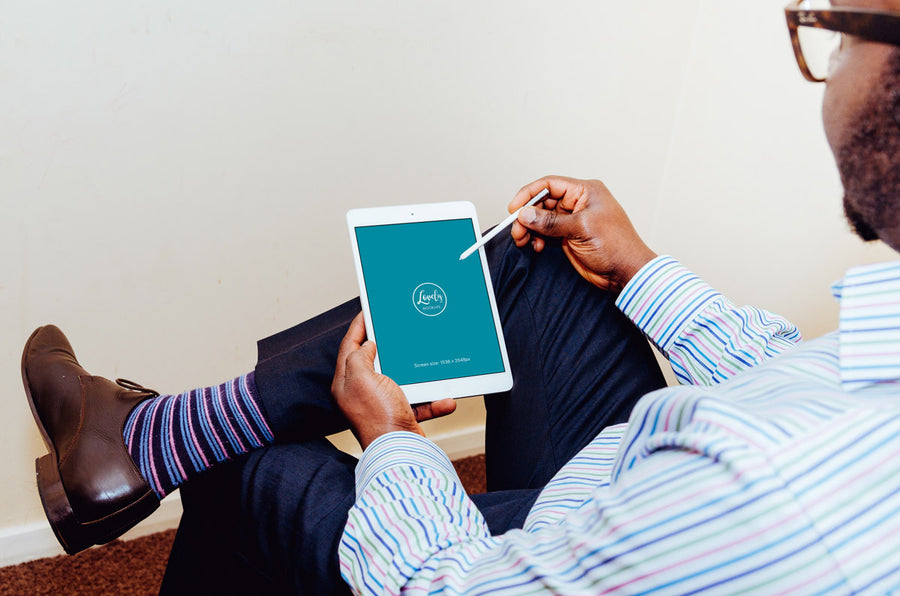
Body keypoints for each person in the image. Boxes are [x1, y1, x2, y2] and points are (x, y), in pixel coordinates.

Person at [19, 0, 900, 592]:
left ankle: (156, 441)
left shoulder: (778, 490)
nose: (830, 65)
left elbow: (447, 586)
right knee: (540, 258)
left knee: (256, 467)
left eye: (841, 31)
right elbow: (800, 379)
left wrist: (394, 442)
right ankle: (137, 442)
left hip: (544, 552)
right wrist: (641, 267)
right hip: (629, 495)